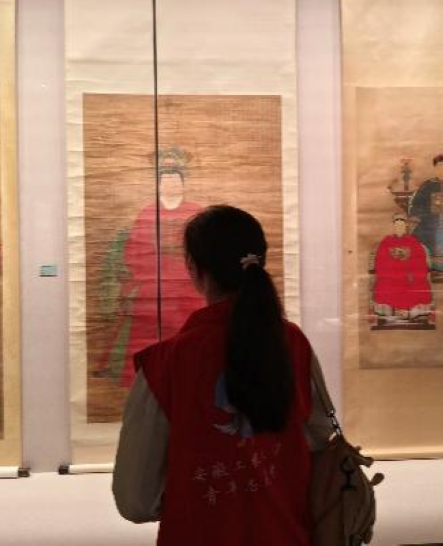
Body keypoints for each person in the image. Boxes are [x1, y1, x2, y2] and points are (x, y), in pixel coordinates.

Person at [113, 205, 333, 546]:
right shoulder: (293, 343)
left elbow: (135, 500)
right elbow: (318, 436)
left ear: (194, 268)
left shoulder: (166, 364)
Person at [96, 147, 206, 386]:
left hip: (188, 279)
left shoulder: (195, 211)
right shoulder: (147, 212)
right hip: (152, 277)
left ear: (183, 184)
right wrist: (146, 272)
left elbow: (203, 248)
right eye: (166, 180)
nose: (171, 184)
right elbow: (135, 250)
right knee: (146, 318)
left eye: (176, 180)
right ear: (158, 185)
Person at [371, 213, 433, 323]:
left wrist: (411, 274)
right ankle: (391, 313)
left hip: (409, 277)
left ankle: (411, 313)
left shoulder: (413, 242)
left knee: (419, 286)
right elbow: (380, 262)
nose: (399, 228)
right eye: (397, 226)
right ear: (393, 227)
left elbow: (420, 263)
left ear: (405, 227)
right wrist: (390, 274)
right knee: (384, 286)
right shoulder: (386, 242)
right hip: (391, 277)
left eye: (401, 226)